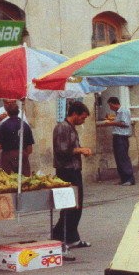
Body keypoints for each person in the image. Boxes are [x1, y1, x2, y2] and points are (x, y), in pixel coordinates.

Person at [52, 101, 92, 249]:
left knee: (76, 206)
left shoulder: (70, 128)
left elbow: (70, 148)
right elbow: (62, 150)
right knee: (71, 205)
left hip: (73, 169)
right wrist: (80, 150)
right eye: (82, 117)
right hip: (66, 170)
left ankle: (71, 236)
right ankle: (59, 235)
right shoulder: (62, 127)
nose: (83, 121)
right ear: (74, 114)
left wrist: (81, 149)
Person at [100, 96, 135, 186]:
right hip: (117, 136)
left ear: (115, 103)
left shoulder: (123, 111)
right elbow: (120, 121)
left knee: (123, 158)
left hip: (122, 137)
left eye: (111, 105)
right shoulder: (118, 112)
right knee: (119, 158)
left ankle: (129, 179)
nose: (110, 108)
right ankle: (123, 178)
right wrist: (112, 119)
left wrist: (112, 123)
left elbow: (125, 123)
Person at [0, 102, 35, 175]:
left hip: (7, 156)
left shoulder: (4, 126)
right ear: (18, 112)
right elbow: (30, 149)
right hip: (22, 155)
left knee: (8, 180)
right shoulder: (25, 125)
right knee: (24, 181)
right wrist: (23, 155)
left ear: (8, 113)